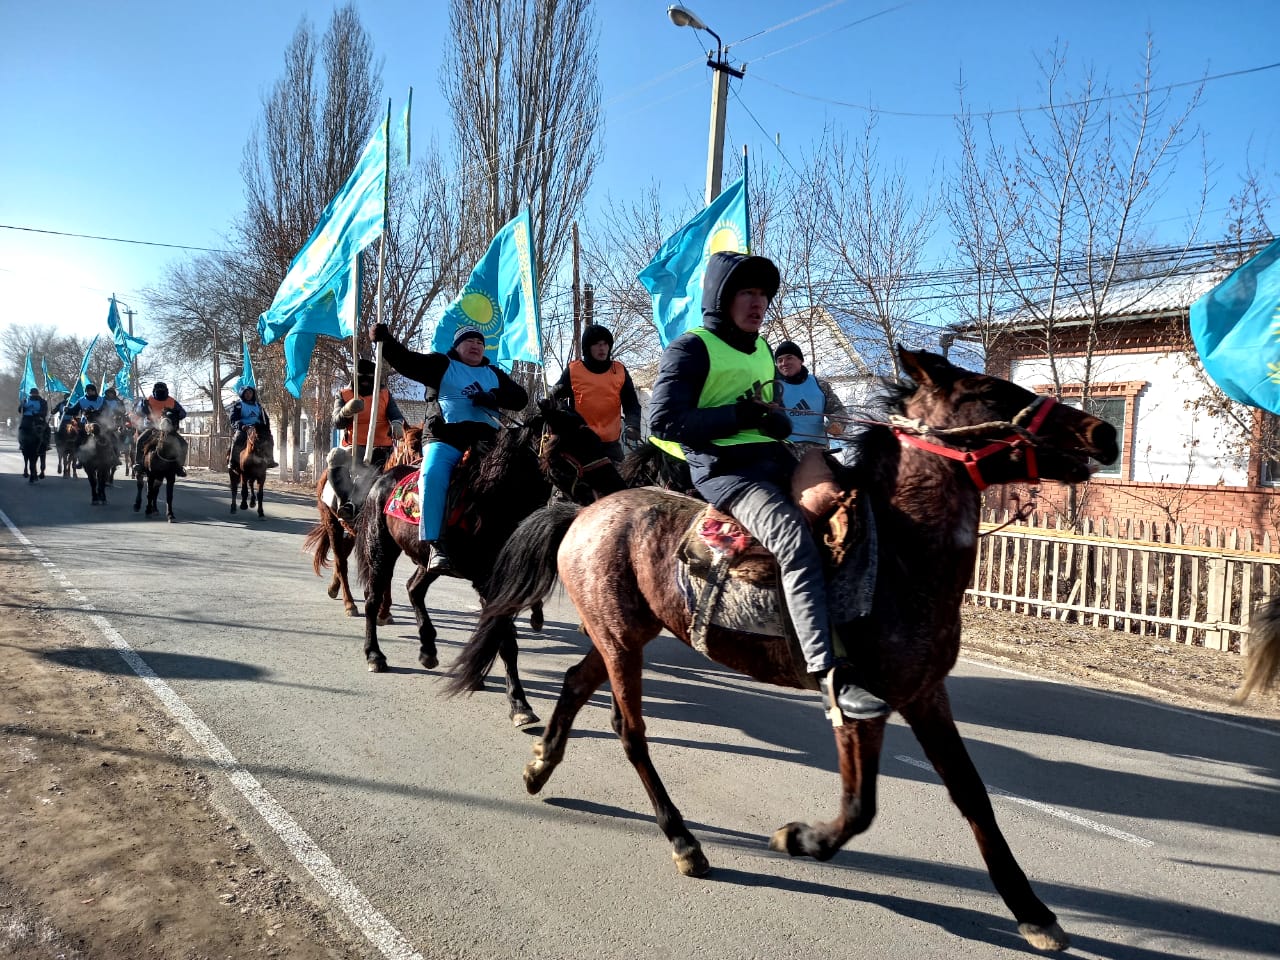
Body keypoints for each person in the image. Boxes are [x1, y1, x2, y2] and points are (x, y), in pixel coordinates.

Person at [647, 251, 889, 721]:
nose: (759, 303)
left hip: (777, 458)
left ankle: (864, 631)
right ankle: (829, 675)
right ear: (721, 298)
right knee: (794, 542)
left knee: (859, 509)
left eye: (764, 294)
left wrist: (775, 420)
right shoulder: (691, 348)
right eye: (747, 292)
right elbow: (663, 421)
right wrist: (741, 416)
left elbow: (768, 406)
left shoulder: (761, 348)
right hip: (727, 472)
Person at [369, 323, 528, 574]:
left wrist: (494, 397)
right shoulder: (442, 365)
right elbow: (407, 362)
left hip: (486, 443)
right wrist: (386, 341)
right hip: (445, 439)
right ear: (457, 346)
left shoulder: (493, 373)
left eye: (480, 343)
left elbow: (521, 398)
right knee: (432, 476)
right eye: (469, 342)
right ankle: (436, 544)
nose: (475, 346)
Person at [551, 324, 642, 466]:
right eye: (597, 344)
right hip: (580, 446)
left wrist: (633, 425)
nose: (602, 348)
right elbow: (554, 399)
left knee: (621, 486)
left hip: (611, 447)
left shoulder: (619, 371)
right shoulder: (574, 371)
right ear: (588, 347)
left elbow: (631, 404)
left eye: (605, 344)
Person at [328, 358, 407, 520]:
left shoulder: (384, 394)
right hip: (354, 448)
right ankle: (346, 501)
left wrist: (398, 425)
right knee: (335, 457)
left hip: (382, 449)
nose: (365, 381)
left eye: (370, 377)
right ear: (354, 376)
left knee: (377, 460)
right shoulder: (344, 394)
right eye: (361, 376)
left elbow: (396, 415)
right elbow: (337, 422)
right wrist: (346, 411)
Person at [773, 340, 847, 451]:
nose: (784, 363)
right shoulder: (773, 387)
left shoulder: (820, 385)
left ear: (800, 360)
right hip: (784, 450)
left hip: (818, 450)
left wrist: (838, 424)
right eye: (780, 360)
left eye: (789, 358)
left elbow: (838, 410)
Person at [133, 382, 189, 477]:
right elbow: (138, 411)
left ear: (166, 391)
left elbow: (183, 413)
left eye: (162, 390)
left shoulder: (172, 401)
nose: (160, 392)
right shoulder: (147, 400)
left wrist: (175, 413)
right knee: (140, 440)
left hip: (168, 430)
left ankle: (179, 467)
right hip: (152, 428)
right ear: (154, 391)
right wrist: (143, 408)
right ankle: (139, 464)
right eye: (158, 390)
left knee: (183, 444)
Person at [227, 386, 279, 468]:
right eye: (246, 393)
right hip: (244, 428)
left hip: (258, 428)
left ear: (253, 394)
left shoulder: (258, 406)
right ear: (242, 394)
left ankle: (270, 459)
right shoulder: (238, 405)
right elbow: (233, 419)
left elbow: (265, 419)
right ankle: (232, 461)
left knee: (269, 438)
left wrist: (266, 428)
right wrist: (242, 426)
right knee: (237, 439)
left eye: (250, 393)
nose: (248, 395)